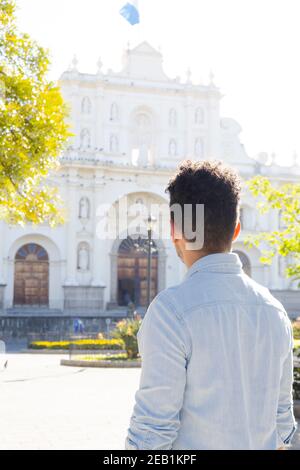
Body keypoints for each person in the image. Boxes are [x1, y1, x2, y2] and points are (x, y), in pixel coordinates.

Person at [126, 160, 297, 450]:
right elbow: (283, 429)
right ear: (236, 230)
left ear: (174, 230)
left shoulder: (171, 312)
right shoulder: (274, 311)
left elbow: (151, 435)